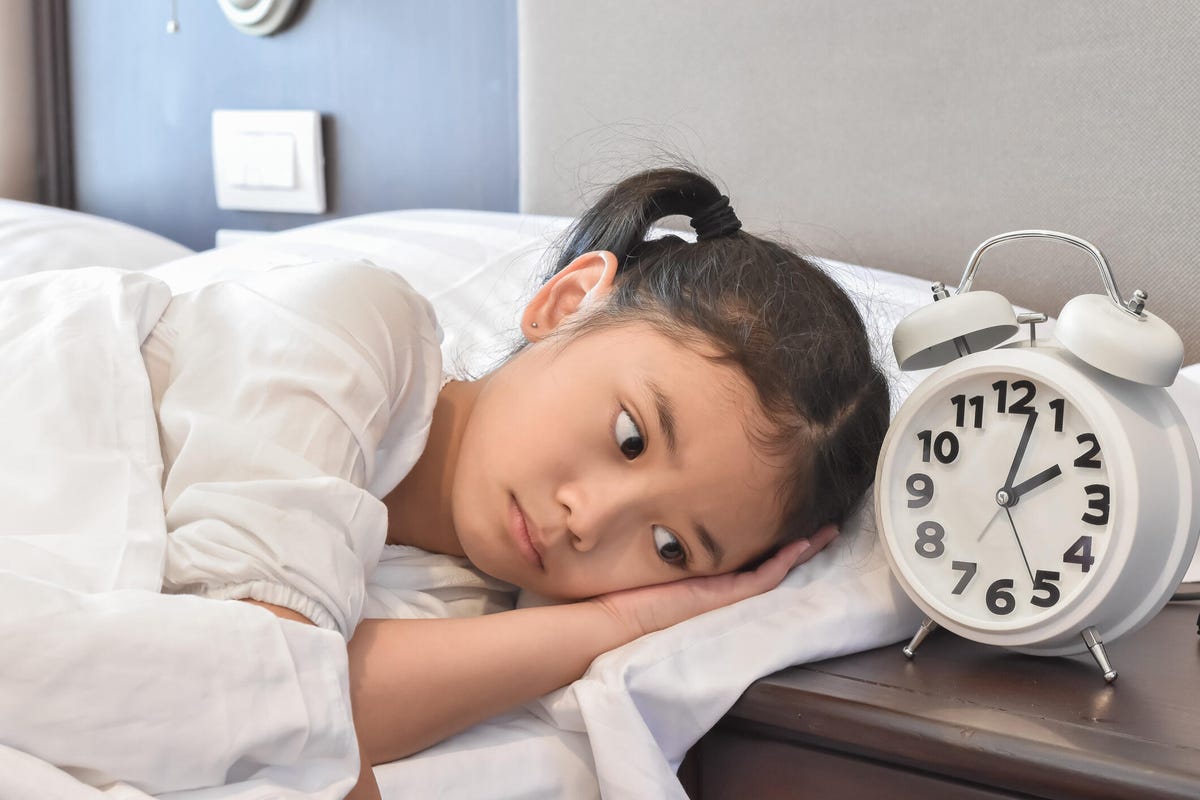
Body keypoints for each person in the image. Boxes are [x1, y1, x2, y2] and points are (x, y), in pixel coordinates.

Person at [144, 166, 890, 798]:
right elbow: (241, 689)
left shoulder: (471, 620)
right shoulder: (355, 329)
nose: (589, 521)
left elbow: (277, 727)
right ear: (567, 305)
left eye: (669, 547)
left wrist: (619, 627)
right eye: (630, 437)